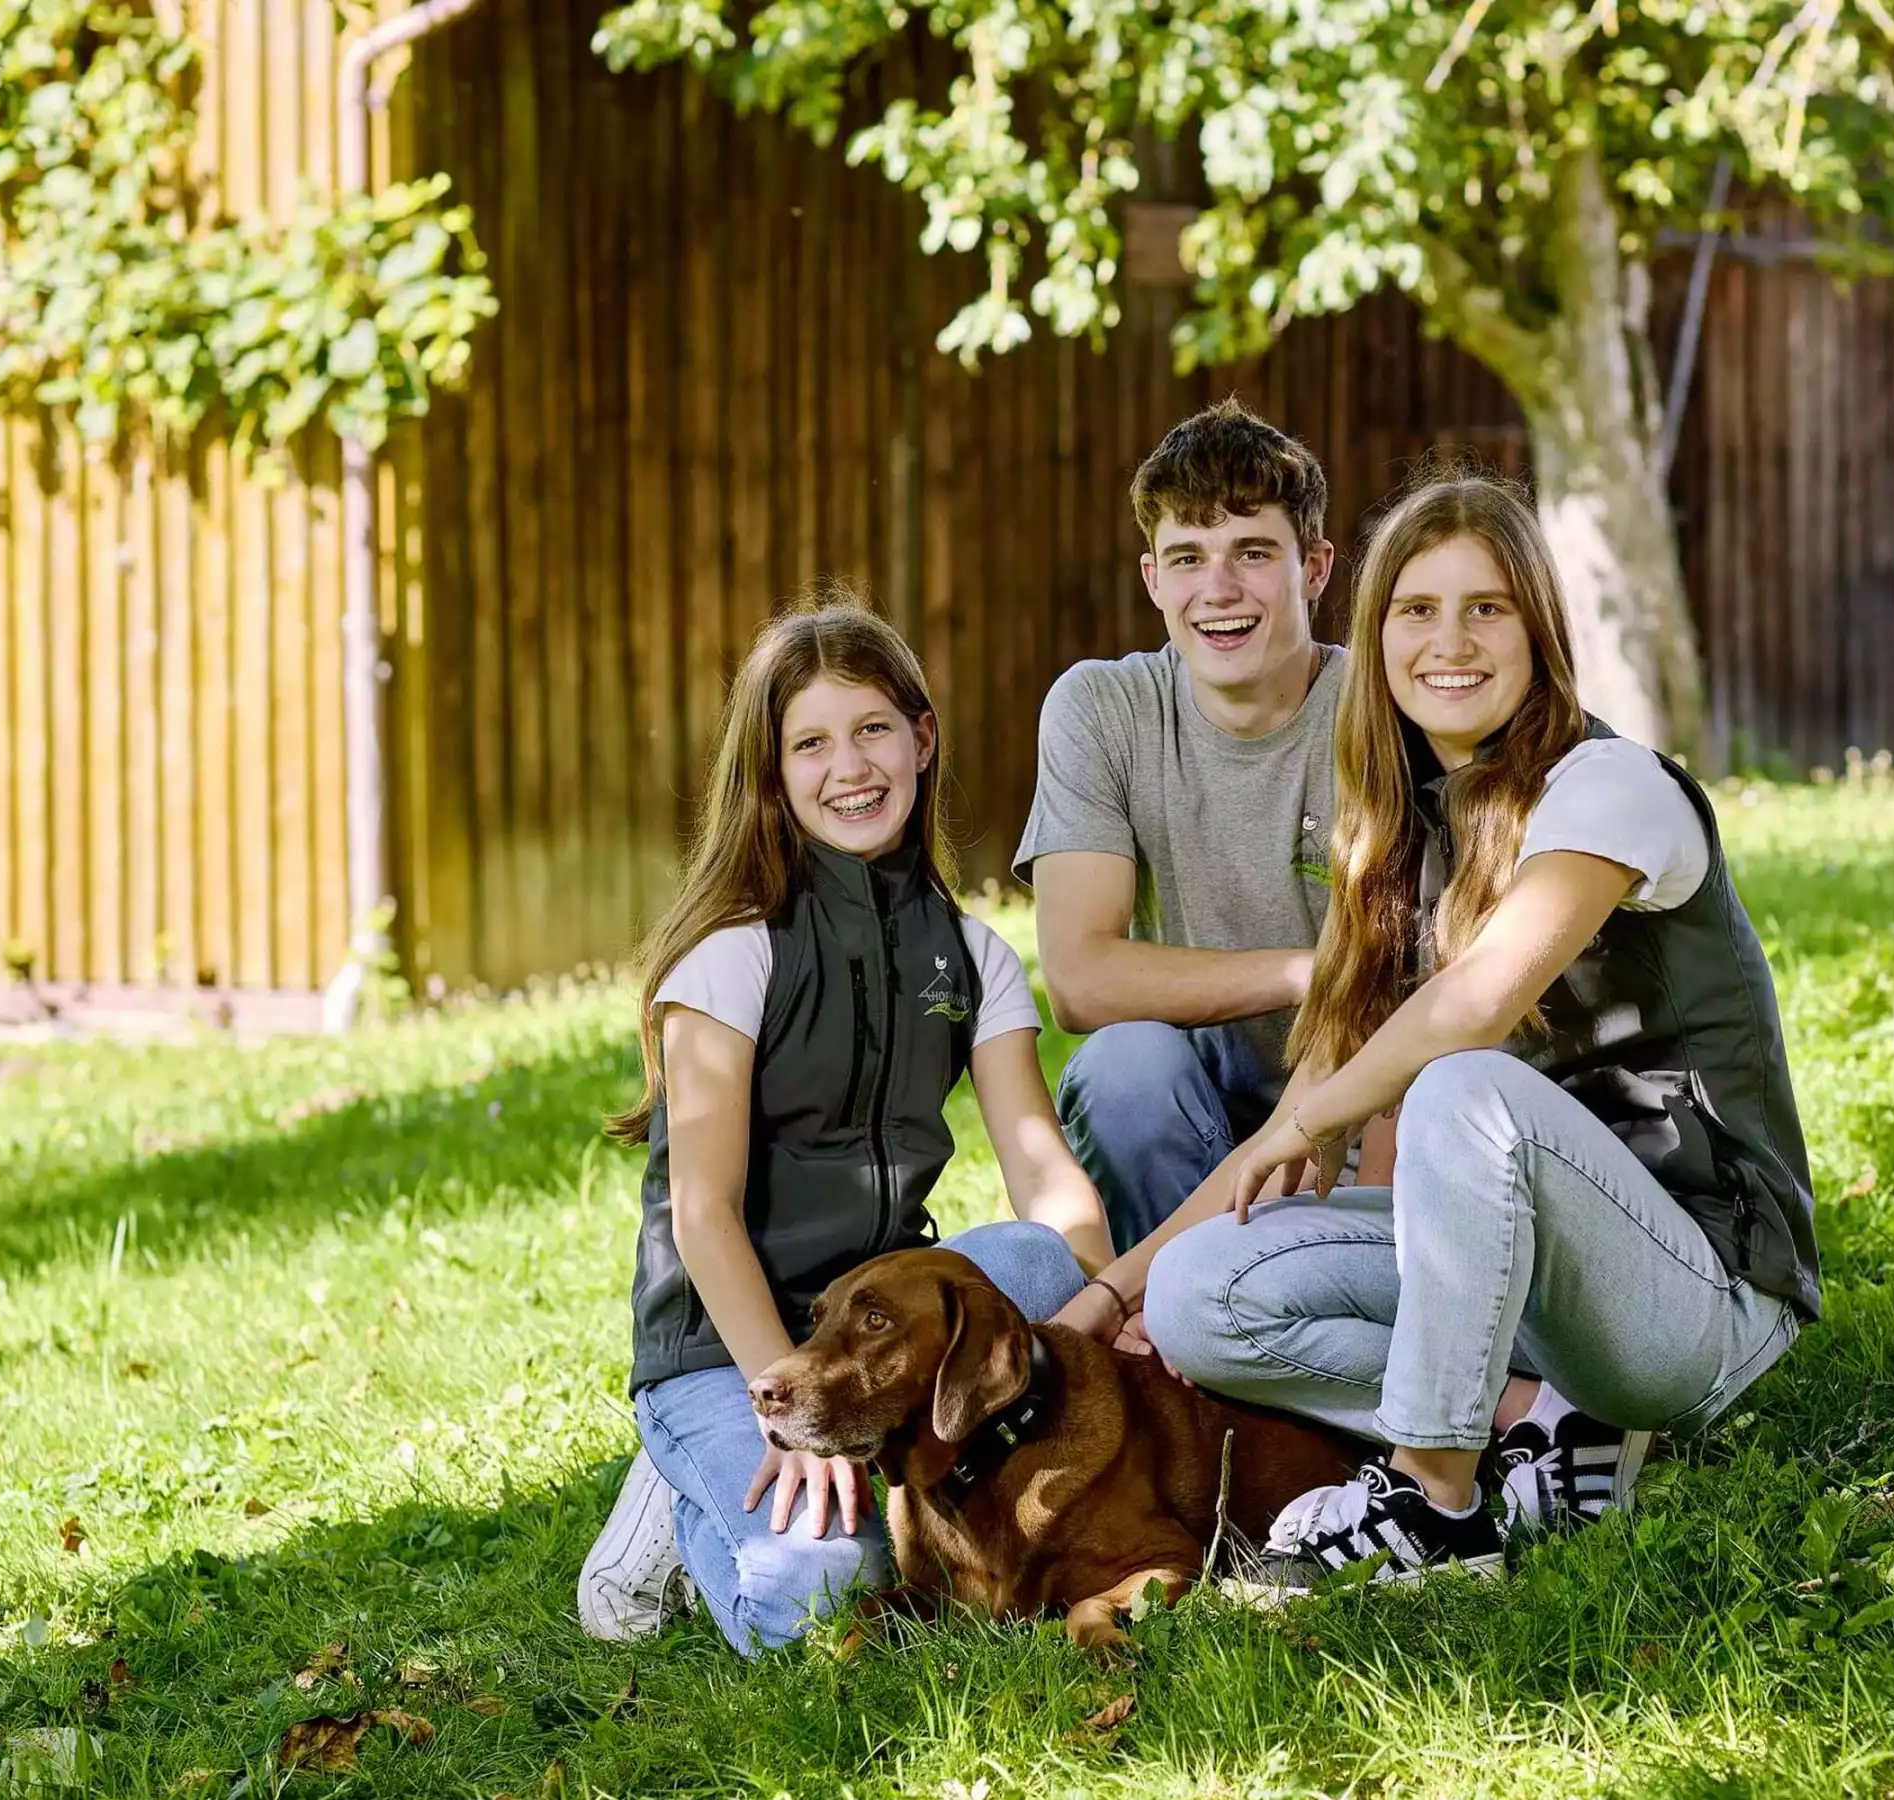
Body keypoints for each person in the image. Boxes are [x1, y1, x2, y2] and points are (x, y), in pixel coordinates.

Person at [1051, 474, 1820, 1587]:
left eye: (1486, 608)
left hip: (1696, 1293)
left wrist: (1302, 1117)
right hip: (1534, 1290)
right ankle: (1547, 1432)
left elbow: (1475, 1004)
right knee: (1200, 1295)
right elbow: (1309, 1101)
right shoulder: (1408, 838)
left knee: (1465, 1087)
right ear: (1378, 636)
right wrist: (1108, 1298)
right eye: (1417, 611)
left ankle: (1433, 1498)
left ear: (1539, 631)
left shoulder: (1609, 788)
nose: (1448, 642)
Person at [576, 601, 1117, 1652]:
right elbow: (704, 1218)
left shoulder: (971, 956)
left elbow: (1046, 1179)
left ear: (922, 737)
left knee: (1042, 1264)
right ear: (771, 777)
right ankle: (670, 1509)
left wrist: (1110, 1299)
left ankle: (857, 1450)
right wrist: (788, 1403)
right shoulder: (731, 958)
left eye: (872, 728)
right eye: (810, 743)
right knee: (822, 1592)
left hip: (872, 1331)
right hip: (729, 1348)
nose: (849, 766)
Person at [1017, 399, 1366, 1254]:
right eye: (1188, 558)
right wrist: (1300, 972)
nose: (1219, 590)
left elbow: (1404, 988)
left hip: (1361, 1113)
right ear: (1152, 580)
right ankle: (1172, 1326)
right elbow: (1079, 981)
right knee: (1121, 1068)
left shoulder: (1380, 710)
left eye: (1253, 552)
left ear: (1314, 568)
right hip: (1185, 1115)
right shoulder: (1103, 708)